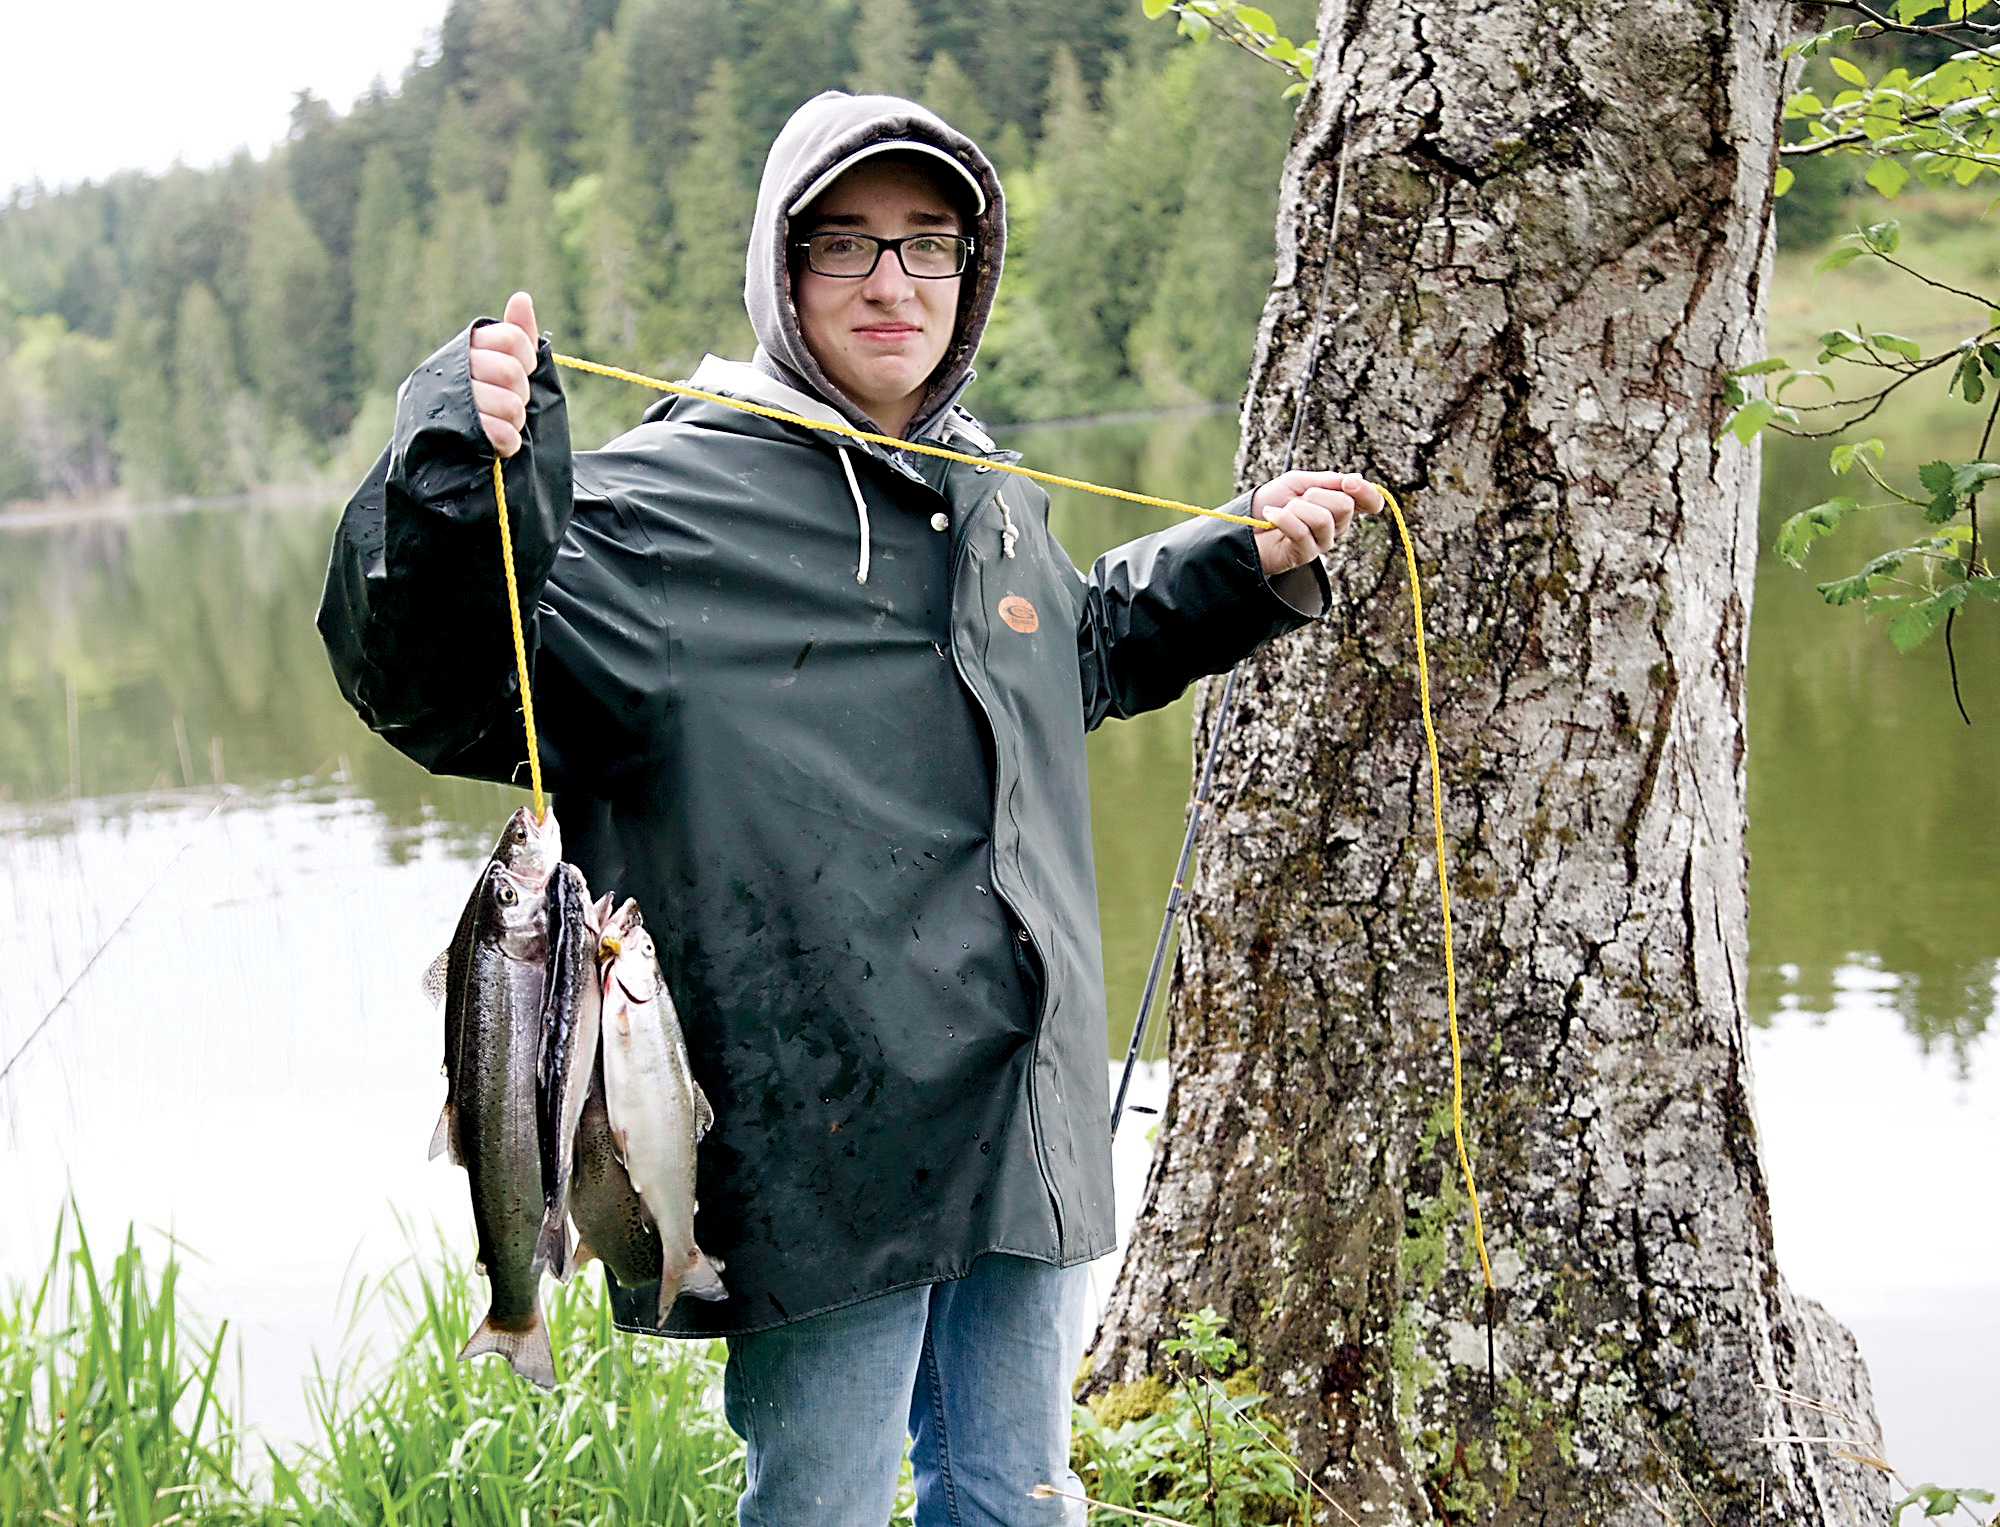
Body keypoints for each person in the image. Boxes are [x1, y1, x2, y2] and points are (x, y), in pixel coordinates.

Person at [319, 91, 1381, 1527]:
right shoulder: (656, 508)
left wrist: (1236, 564)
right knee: (819, 1503)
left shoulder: (986, 484)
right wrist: (455, 473)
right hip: (823, 1141)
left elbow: (1068, 651)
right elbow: (439, 684)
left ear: (973, 271)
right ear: (781, 272)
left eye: (929, 244)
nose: (894, 282)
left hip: (1020, 1111)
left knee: (1017, 1492)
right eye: (847, 244)